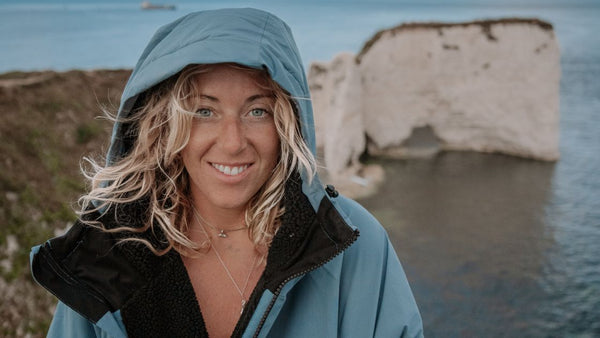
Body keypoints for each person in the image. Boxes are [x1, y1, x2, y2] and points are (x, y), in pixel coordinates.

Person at [30, 8, 423, 338]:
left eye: (257, 111)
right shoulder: (105, 257)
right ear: (164, 124)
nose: (233, 142)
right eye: (204, 111)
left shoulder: (355, 245)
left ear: (287, 122)